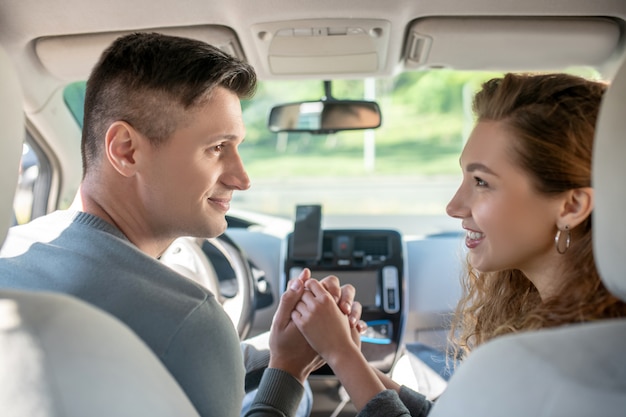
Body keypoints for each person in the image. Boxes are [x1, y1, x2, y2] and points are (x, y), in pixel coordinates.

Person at [0, 32, 364, 417]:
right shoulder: (192, 324)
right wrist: (290, 371)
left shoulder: (13, 258)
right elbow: (182, 346)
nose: (242, 178)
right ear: (126, 150)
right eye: (217, 148)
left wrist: (277, 350)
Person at [288, 72, 626, 416]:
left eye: (482, 182)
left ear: (571, 206)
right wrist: (350, 355)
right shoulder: (599, 349)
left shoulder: (534, 363)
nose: (453, 206)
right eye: (464, 177)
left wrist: (340, 354)